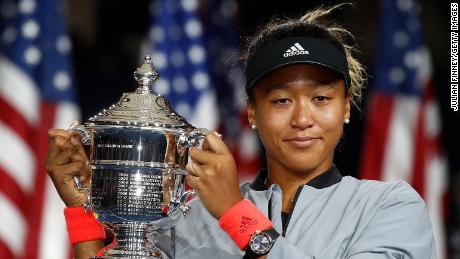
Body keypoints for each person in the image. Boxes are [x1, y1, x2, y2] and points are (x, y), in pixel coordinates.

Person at [46, 4, 436, 259]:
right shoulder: (189, 218)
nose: (303, 118)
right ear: (252, 113)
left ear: (346, 107)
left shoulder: (391, 206)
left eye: (321, 99)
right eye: (281, 100)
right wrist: (81, 209)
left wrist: (235, 213)